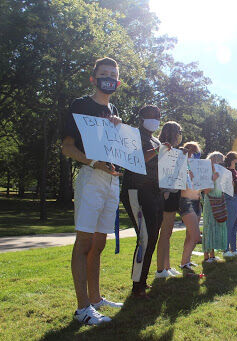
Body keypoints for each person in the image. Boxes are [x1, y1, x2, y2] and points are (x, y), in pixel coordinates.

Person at [62, 57, 123, 325]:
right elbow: (67, 147)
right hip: (90, 178)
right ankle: (82, 308)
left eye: (113, 74)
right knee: (84, 242)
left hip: (111, 180)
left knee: (99, 243)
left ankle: (95, 298)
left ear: (117, 82)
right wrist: (93, 162)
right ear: (93, 78)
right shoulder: (80, 105)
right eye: (103, 73)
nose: (108, 77)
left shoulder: (114, 109)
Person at [121, 105, 168, 298]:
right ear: (141, 118)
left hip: (155, 191)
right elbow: (136, 160)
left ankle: (142, 281)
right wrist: (158, 151)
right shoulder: (134, 136)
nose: (155, 120)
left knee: (152, 237)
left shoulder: (155, 139)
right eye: (151, 116)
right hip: (137, 190)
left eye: (158, 117)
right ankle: (137, 286)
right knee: (145, 237)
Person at [155, 121, 184, 278]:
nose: (180, 135)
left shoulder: (176, 151)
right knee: (165, 232)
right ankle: (160, 269)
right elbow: (161, 173)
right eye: (178, 132)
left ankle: (167, 266)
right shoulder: (162, 148)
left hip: (174, 193)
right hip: (166, 194)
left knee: (169, 233)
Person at [179, 142, 205, 274]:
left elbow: (201, 186)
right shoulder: (180, 164)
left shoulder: (197, 167)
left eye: (197, 153)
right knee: (195, 236)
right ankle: (185, 263)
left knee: (190, 236)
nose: (194, 155)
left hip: (197, 202)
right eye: (192, 152)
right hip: (186, 201)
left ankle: (185, 262)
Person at [202, 151, 227, 262]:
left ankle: (212, 255)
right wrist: (213, 178)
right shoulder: (207, 173)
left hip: (218, 200)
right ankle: (206, 256)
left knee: (216, 226)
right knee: (209, 227)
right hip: (210, 202)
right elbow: (206, 190)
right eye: (220, 161)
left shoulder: (220, 173)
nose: (222, 163)